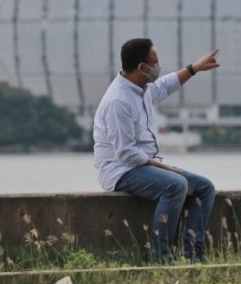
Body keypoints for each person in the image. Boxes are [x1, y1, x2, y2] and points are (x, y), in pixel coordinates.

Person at [93, 38, 220, 263]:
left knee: (204, 188)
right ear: (142, 67)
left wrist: (194, 68)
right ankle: (160, 258)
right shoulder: (118, 101)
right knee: (176, 184)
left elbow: (164, 85)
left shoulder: (142, 88)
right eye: (155, 62)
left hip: (144, 164)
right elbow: (126, 154)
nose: (158, 66)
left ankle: (193, 257)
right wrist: (163, 167)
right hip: (120, 170)